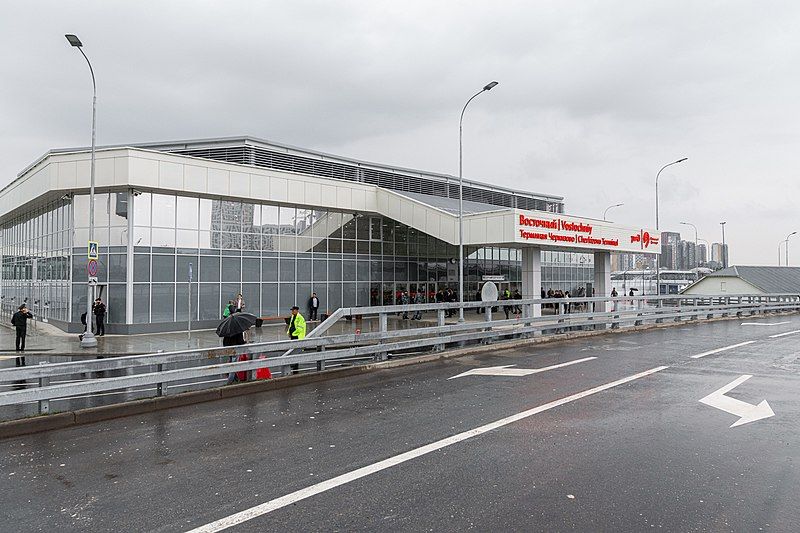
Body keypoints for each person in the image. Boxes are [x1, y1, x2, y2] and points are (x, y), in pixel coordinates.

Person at [287, 306, 307, 374]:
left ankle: (295, 364)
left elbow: (300, 328)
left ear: (297, 310)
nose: (292, 311)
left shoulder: (300, 318)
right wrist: (289, 332)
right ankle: (294, 363)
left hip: (297, 336)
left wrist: (293, 333)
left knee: (296, 350)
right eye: (292, 310)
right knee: (293, 349)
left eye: (293, 310)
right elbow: (291, 325)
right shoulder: (293, 316)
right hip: (293, 335)